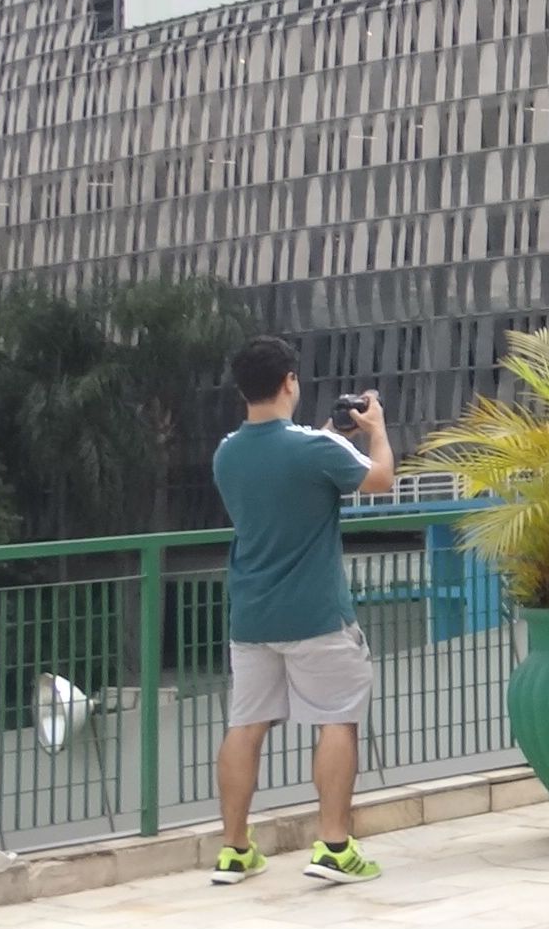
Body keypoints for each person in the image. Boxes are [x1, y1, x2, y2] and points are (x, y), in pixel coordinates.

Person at [207, 336, 395, 886]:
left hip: (252, 617)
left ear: (242, 388)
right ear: (290, 380)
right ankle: (334, 847)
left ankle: (234, 850)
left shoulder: (226, 452)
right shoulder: (316, 448)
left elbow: (284, 469)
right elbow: (380, 478)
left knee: (244, 726)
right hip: (316, 615)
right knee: (336, 719)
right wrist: (377, 430)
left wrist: (331, 434)